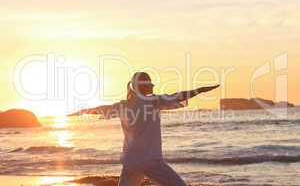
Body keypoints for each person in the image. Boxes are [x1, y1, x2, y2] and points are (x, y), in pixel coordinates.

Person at [71, 72, 219, 186]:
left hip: (131, 162)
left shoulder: (123, 105)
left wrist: (80, 112)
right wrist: (200, 90)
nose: (152, 87)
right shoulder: (154, 101)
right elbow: (179, 96)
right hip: (151, 161)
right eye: (149, 84)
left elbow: (99, 109)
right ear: (142, 86)